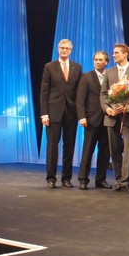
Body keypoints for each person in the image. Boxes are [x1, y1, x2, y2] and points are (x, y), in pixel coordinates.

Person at [40, 39, 82, 189]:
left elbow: (79, 92)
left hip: (71, 113)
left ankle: (66, 178)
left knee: (69, 146)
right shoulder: (49, 67)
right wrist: (44, 113)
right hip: (53, 113)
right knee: (52, 146)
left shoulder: (77, 67)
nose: (64, 50)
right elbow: (44, 91)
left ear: (71, 50)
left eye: (67, 48)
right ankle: (51, 178)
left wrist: (80, 113)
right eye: (62, 48)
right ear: (58, 49)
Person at [100, 43, 129, 193]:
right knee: (114, 150)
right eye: (114, 53)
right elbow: (103, 94)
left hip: (128, 117)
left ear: (125, 54)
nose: (113, 55)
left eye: (116, 53)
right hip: (112, 116)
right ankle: (119, 180)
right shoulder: (109, 72)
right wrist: (107, 108)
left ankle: (126, 181)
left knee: (128, 149)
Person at [77, 51, 111, 190]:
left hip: (107, 119)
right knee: (88, 150)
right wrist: (82, 117)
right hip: (91, 119)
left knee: (105, 152)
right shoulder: (86, 77)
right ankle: (83, 179)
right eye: (95, 59)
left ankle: (101, 180)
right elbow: (80, 99)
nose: (97, 62)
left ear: (106, 62)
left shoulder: (110, 76)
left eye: (100, 60)